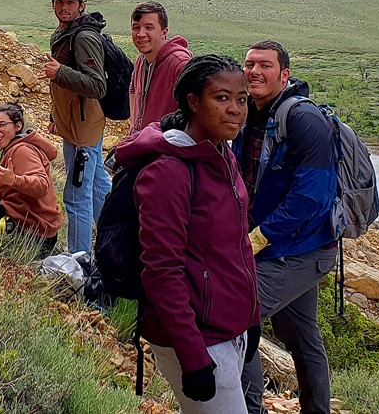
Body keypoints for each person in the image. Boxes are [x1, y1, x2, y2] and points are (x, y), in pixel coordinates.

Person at [115, 55, 260, 414]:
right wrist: (192, 356)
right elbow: (162, 271)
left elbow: (239, 245)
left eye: (241, 99)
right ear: (194, 102)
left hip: (229, 327)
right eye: (222, 98)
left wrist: (252, 317)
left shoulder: (222, 155)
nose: (235, 110)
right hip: (195, 336)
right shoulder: (168, 171)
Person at [234, 41, 338, 414]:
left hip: (302, 249)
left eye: (265, 65)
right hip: (278, 246)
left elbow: (308, 198)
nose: (254, 71)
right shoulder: (250, 114)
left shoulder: (303, 120)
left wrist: (258, 238)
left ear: (285, 75)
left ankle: (248, 409)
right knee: (301, 338)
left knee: (233, 316)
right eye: (248, 64)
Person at [44, 0, 110, 255]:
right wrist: (55, 116)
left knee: (76, 197)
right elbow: (64, 87)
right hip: (75, 125)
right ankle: (113, 245)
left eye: (70, 2)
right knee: (98, 187)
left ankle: (78, 260)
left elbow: (97, 86)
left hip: (83, 130)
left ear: (82, 5)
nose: (64, 6)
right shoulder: (63, 32)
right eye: (59, 1)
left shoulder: (83, 37)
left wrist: (59, 72)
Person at [0, 102, 63, 259]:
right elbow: (15, 196)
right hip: (39, 231)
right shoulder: (16, 147)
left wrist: (13, 180)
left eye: (2, 125)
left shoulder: (22, 150)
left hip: (34, 235)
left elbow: (41, 185)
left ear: (17, 126)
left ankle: (0, 242)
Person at [128, 1, 192, 132]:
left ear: (164, 32)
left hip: (165, 147)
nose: (140, 34)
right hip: (141, 142)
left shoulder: (179, 64)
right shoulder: (142, 59)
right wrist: (134, 126)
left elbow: (192, 113)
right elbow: (133, 89)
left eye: (149, 27)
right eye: (136, 27)